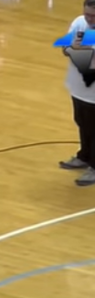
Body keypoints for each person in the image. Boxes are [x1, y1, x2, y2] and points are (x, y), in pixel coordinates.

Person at [60, 0, 95, 185]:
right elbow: (66, 49)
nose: (89, 19)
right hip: (78, 87)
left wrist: (78, 48)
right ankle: (84, 156)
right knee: (82, 123)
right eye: (87, 14)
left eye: (93, 16)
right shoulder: (79, 22)